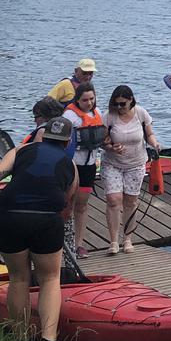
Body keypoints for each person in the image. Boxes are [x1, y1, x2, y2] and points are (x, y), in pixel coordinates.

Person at [0, 115, 77, 341]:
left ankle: (21, 339)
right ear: (67, 141)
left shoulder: (20, 150)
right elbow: (67, 206)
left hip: (9, 217)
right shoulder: (70, 165)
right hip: (45, 221)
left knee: (19, 278)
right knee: (50, 279)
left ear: (43, 134)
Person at [102, 85, 160, 255]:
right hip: (112, 163)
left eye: (122, 104)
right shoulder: (109, 116)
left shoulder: (141, 113)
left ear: (131, 100)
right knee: (114, 199)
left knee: (130, 201)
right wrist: (111, 147)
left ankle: (127, 239)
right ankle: (113, 241)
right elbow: (103, 140)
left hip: (136, 163)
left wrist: (155, 144)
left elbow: (149, 134)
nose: (119, 107)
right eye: (116, 104)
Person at [61, 81, 106, 257]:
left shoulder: (98, 113)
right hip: (73, 166)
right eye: (85, 100)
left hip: (89, 166)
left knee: (82, 205)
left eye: (92, 99)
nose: (89, 103)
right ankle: (64, 242)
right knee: (68, 205)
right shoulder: (70, 117)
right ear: (77, 100)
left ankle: (79, 244)